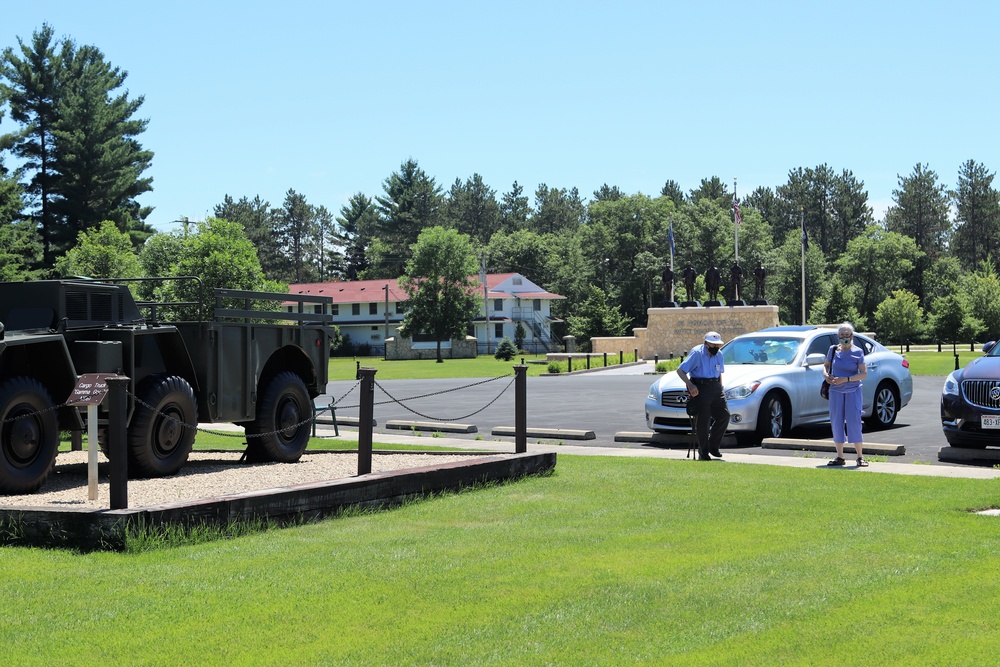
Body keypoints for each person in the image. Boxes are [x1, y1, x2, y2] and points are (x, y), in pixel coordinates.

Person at [676, 331, 729, 460]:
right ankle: (703, 452)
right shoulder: (697, 353)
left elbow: (719, 372)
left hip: (715, 387)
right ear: (706, 343)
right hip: (701, 387)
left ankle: (713, 446)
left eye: (718, 345)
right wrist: (690, 385)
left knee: (724, 415)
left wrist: (720, 387)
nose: (716, 348)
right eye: (713, 345)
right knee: (703, 421)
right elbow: (680, 371)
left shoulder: (719, 354)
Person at [824, 322, 868, 467]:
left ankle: (860, 457)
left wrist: (847, 379)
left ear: (852, 335)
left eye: (846, 334)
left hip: (853, 391)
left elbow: (863, 374)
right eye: (841, 335)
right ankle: (840, 456)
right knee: (836, 421)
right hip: (836, 391)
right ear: (838, 336)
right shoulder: (833, 350)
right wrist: (826, 376)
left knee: (854, 421)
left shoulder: (858, 352)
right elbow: (826, 366)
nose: (844, 337)